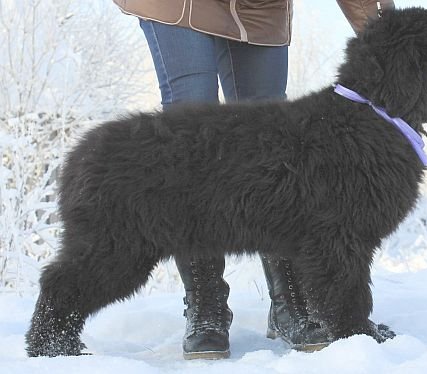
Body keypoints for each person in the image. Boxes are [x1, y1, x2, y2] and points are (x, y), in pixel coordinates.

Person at [112, 0, 395, 360]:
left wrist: (386, 30)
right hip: (179, 6)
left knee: (275, 138)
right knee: (190, 120)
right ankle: (206, 305)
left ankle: (289, 302)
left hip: (259, 9)